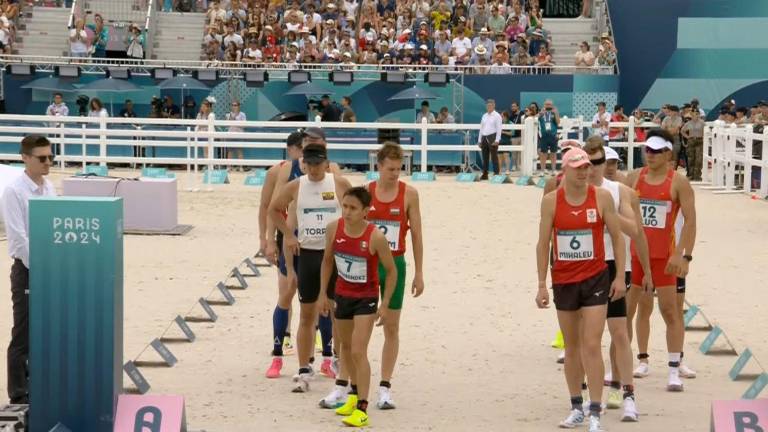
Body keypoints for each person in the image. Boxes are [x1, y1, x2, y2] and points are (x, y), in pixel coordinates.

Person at [323, 142, 425, 410]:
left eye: (399, 168)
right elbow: (346, 223)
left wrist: (420, 272)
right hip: (364, 265)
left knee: (391, 326)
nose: (395, 173)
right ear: (378, 166)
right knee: (352, 336)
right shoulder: (366, 192)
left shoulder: (410, 194)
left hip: (395, 264)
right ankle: (343, 386)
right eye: (390, 168)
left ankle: (385, 387)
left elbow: (416, 235)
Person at [536, 147, 626, 432]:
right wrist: (541, 283)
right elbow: (543, 244)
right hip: (564, 280)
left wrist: (620, 277)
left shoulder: (601, 197)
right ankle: (576, 406)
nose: (584, 171)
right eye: (578, 167)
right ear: (566, 170)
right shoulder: (551, 201)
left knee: (592, 343)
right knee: (572, 346)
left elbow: (617, 237)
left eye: (586, 166)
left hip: (595, 278)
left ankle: (596, 412)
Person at [270, 143, 352, 393]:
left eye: (319, 163)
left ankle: (338, 360)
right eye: (310, 163)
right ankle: (304, 368)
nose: (315, 168)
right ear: (304, 163)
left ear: (326, 163)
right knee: (307, 314)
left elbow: (360, 212)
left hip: (337, 255)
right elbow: (274, 209)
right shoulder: (296, 186)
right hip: (308, 254)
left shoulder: (339, 183)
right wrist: (288, 236)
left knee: (338, 314)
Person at [582, 137, 653, 421]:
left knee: (620, 333)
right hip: (582, 265)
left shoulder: (619, 191)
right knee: (587, 339)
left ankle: (629, 397)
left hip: (613, 266)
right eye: (590, 163)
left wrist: (607, 213)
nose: (595, 169)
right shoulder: (571, 189)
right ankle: (591, 396)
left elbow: (636, 230)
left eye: (600, 163)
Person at [623, 129, 697, 392]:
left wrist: (684, 255)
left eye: (655, 151)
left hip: (665, 259)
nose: (650, 155)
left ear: (668, 153)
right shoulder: (634, 178)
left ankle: (674, 370)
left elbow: (690, 220)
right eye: (647, 150)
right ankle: (628, 363)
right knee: (629, 313)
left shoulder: (678, 183)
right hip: (637, 257)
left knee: (669, 311)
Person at [318, 187, 396, 427]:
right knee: (345, 349)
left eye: (353, 208)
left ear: (365, 211)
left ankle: (362, 408)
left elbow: (391, 271)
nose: (348, 212)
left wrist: (385, 304)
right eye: (345, 206)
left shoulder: (375, 237)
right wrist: (323, 293)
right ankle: (352, 396)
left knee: (358, 351)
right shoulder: (334, 229)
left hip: (366, 298)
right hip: (342, 295)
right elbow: (327, 261)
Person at [2, 135, 57, 404]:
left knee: (46, 329)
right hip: (27, 269)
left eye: (51, 157)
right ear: (25, 158)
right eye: (42, 158)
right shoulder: (13, 191)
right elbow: (18, 239)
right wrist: (42, 267)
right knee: (23, 332)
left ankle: (40, 383)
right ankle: (18, 393)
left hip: (50, 268)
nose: (49, 162)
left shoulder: (50, 188)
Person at [261, 131, 305, 379]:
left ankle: (323, 354)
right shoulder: (281, 173)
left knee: (319, 300)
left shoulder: (331, 173)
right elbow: (267, 208)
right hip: (290, 237)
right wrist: (267, 239)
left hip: (313, 242)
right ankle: (280, 346)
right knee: (286, 291)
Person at [477, 99, 502, 180]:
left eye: (491, 105)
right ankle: (485, 174)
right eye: (488, 105)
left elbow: (499, 129)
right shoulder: (484, 115)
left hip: (493, 137)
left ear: (494, 106)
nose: (489, 107)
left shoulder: (497, 116)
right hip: (484, 137)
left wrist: (497, 140)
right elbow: (481, 128)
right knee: (485, 157)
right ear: (486, 106)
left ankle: (496, 174)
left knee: (494, 157)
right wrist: (479, 140)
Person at [681, 109, 705, 181]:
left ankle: (697, 175)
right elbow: (682, 131)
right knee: (691, 158)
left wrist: (703, 137)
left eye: (697, 114)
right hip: (691, 140)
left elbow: (706, 130)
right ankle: (691, 175)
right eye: (694, 114)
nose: (695, 116)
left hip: (699, 140)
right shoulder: (688, 123)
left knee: (699, 159)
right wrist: (688, 137)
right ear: (691, 115)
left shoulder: (702, 123)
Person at [538, 99, 559, 175]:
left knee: (553, 153)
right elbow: (536, 120)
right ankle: (542, 171)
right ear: (544, 105)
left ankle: (553, 170)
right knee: (543, 154)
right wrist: (540, 114)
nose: (548, 106)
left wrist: (556, 113)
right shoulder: (541, 112)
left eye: (550, 104)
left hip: (553, 135)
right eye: (547, 104)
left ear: (552, 105)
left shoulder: (554, 113)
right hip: (544, 135)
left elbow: (558, 122)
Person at [225, 100, 246, 167]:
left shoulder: (242, 114)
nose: (234, 107)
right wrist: (230, 120)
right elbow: (227, 125)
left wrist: (236, 120)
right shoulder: (229, 114)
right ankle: (229, 167)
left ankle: (241, 167)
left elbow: (244, 125)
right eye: (232, 105)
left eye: (235, 105)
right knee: (230, 152)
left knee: (239, 151)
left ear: (238, 106)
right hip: (230, 135)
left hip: (239, 135)